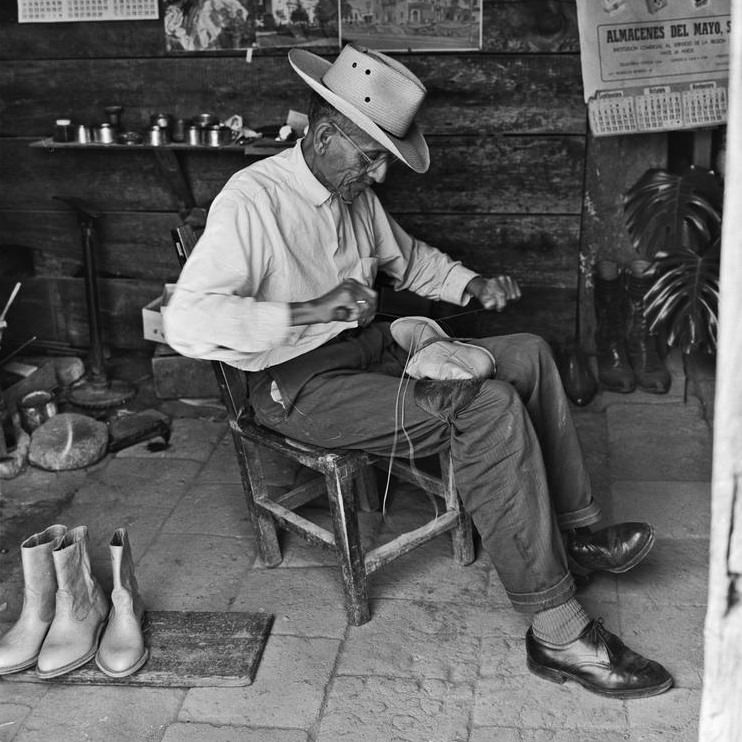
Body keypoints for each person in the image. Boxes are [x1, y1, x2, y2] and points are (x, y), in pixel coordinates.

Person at [163, 43, 673, 699]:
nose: (376, 174)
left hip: (369, 349)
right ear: (323, 135)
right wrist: (308, 308)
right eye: (369, 155)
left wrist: (473, 283)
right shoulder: (252, 202)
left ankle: (573, 536)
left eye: (382, 158)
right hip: (297, 388)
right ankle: (558, 631)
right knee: (486, 407)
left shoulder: (353, 198)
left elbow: (410, 260)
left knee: (528, 353)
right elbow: (187, 323)